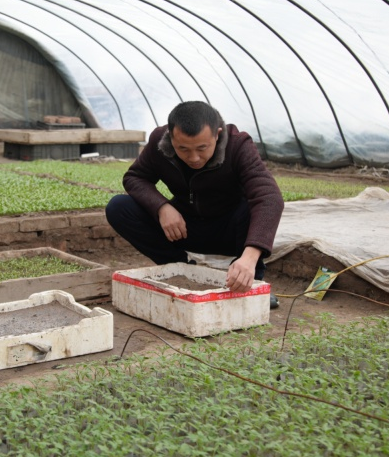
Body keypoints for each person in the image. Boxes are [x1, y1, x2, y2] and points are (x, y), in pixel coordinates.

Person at [106, 101, 283, 308]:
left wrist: (250, 257)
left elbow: (269, 197)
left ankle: (252, 282)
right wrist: (162, 207)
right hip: (184, 229)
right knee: (119, 207)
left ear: (217, 135)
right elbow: (135, 177)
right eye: (183, 149)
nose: (194, 158)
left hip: (229, 230)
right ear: (171, 138)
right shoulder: (158, 142)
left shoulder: (238, 145)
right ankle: (180, 268)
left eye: (202, 148)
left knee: (250, 206)